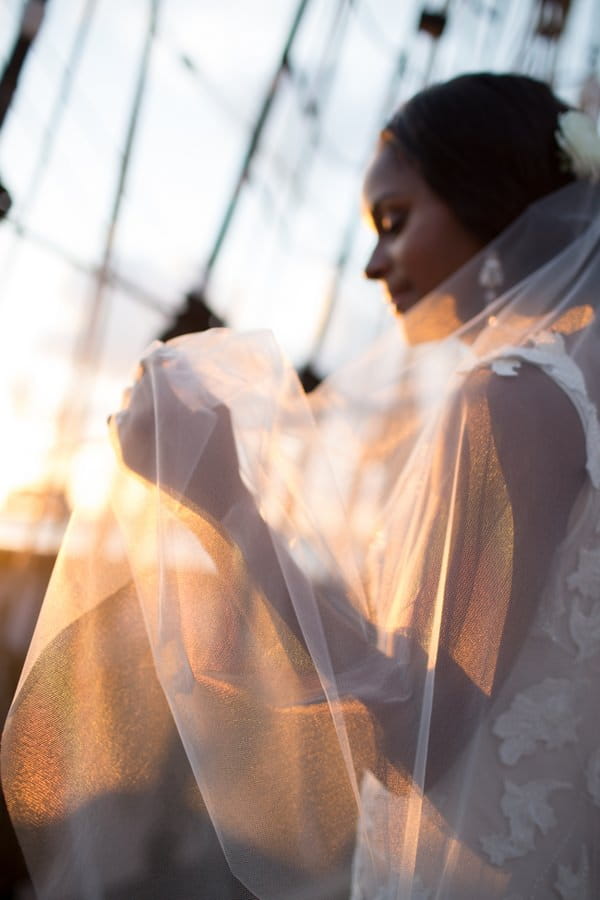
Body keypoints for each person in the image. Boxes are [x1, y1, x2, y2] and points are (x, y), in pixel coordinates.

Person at [2, 73, 600, 899]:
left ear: (490, 202)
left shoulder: (509, 398)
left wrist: (222, 500)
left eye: (394, 221)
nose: (370, 263)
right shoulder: (568, 391)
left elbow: (421, 738)